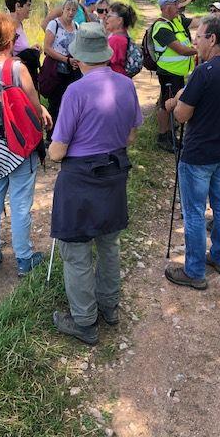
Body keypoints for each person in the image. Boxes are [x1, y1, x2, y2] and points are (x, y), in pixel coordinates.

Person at [49, 22, 143, 345]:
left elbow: (58, 151)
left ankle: (85, 321)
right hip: (115, 173)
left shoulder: (75, 91)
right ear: (104, 54)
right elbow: (131, 134)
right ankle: (110, 307)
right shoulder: (126, 85)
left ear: (78, 57)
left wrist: (48, 149)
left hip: (80, 179)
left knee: (76, 252)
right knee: (109, 244)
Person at [164, 16, 220, 290]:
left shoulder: (204, 72)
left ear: (212, 39)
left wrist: (178, 101)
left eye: (199, 37)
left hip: (199, 153)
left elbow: (181, 115)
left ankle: (194, 271)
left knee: (194, 212)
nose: (196, 42)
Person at [0, 12, 52, 276]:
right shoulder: (17, 69)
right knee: (19, 203)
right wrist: (42, 111)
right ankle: (24, 258)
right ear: (10, 40)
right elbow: (32, 104)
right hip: (18, 145)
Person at [152, 0, 197, 152]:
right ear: (166, 7)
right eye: (176, 5)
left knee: (174, 103)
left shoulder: (176, 20)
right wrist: (200, 50)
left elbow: (195, 22)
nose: (179, 8)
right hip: (168, 73)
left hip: (177, 73)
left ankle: (171, 135)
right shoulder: (161, 27)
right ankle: (163, 137)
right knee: (166, 105)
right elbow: (181, 50)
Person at [42, 0, 81, 140]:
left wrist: (75, 60)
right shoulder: (54, 24)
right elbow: (47, 48)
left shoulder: (77, 26)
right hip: (55, 70)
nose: (70, 13)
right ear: (63, 9)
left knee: (69, 103)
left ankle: (65, 134)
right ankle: (50, 136)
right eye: (68, 9)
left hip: (72, 69)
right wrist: (66, 59)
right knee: (55, 103)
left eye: (73, 10)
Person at [5, 0, 40, 89]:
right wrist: (25, 58)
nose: (30, 9)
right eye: (28, 5)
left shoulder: (19, 24)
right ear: (18, 6)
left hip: (24, 74)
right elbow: (3, 59)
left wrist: (30, 50)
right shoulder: (7, 27)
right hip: (16, 80)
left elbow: (18, 49)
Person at [104, 2, 137, 75]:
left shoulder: (116, 40)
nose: (106, 18)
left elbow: (104, 62)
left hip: (113, 80)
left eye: (109, 16)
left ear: (119, 20)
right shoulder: (124, 35)